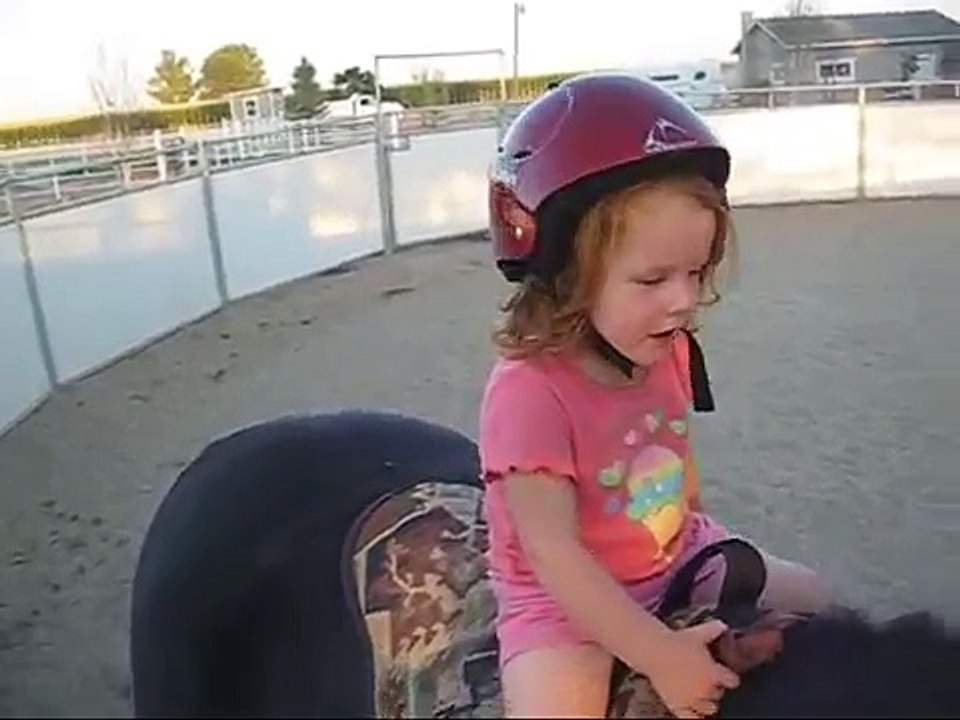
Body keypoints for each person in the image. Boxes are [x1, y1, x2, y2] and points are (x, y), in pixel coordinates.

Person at [479, 73, 830, 718]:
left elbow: (673, 467)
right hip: (565, 608)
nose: (685, 300)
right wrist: (660, 655)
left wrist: (697, 541)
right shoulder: (529, 391)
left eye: (695, 272)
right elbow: (552, 553)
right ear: (563, 276)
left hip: (677, 555)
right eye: (653, 279)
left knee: (819, 601)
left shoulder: (664, 347)